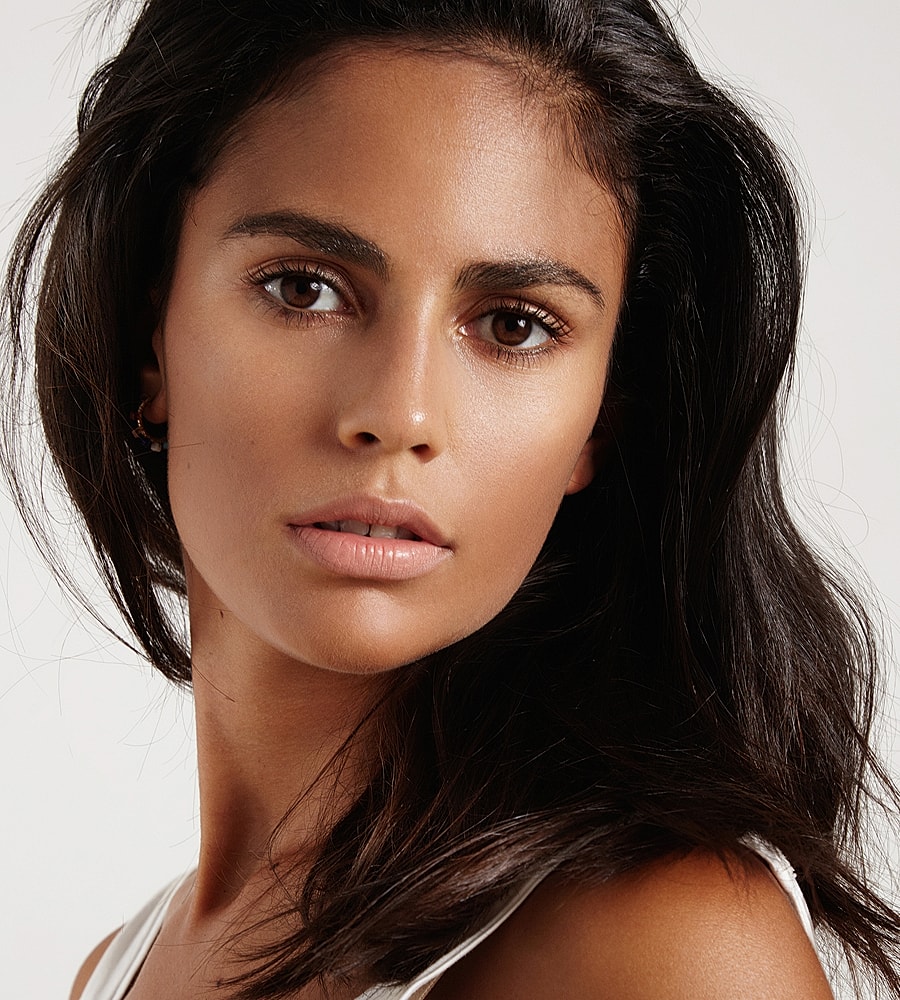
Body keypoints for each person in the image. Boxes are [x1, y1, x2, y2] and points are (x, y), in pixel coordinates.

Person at [2, 0, 898, 997]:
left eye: (514, 324)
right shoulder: (116, 968)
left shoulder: (665, 949)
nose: (399, 412)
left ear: (601, 419)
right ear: (143, 336)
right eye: (305, 288)